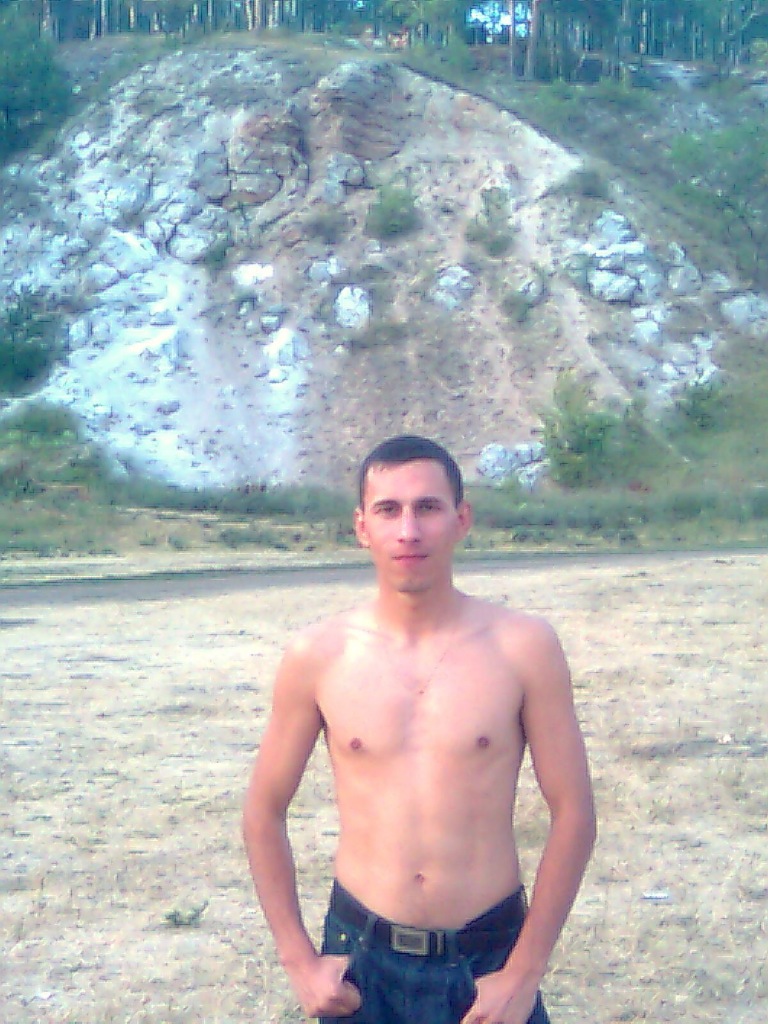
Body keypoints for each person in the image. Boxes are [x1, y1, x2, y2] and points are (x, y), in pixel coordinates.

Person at [242, 434, 596, 1024]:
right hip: (360, 959)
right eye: (389, 510)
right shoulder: (319, 654)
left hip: (488, 955)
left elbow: (575, 811)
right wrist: (298, 959)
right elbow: (263, 809)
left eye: (427, 507)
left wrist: (525, 971)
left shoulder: (523, 646)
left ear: (461, 519)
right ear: (362, 527)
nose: (409, 530)